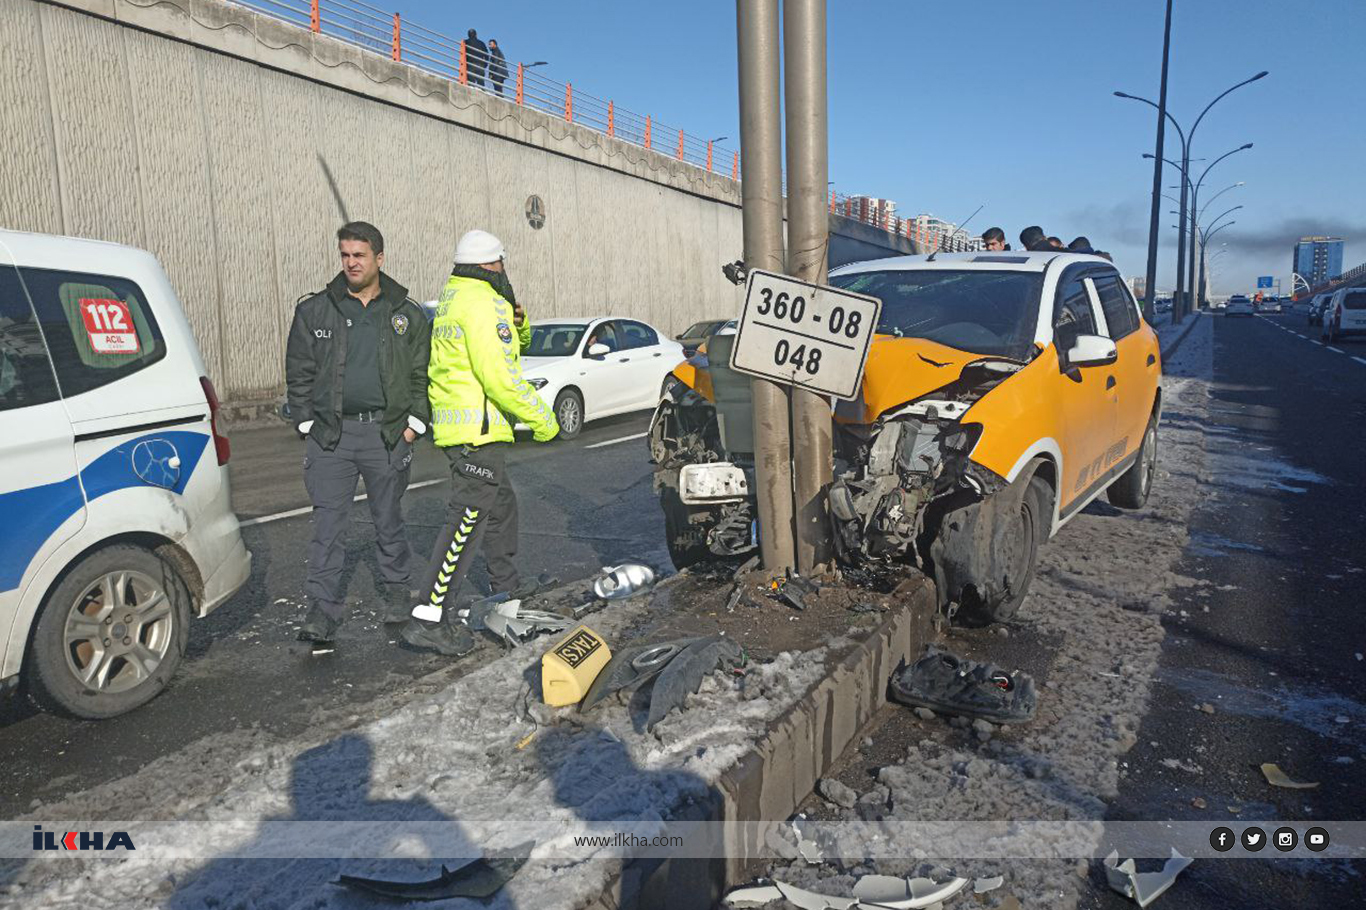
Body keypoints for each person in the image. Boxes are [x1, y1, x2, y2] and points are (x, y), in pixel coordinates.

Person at [402, 230, 559, 655]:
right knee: (467, 520)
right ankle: (429, 616)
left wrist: (519, 323)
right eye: (502, 264)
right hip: (479, 429)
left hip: (459, 426)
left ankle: (505, 586)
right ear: (493, 265)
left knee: (501, 505)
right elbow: (501, 376)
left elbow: (509, 348)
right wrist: (543, 420)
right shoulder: (487, 303)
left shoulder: (454, 297)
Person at [285, 222, 432, 644]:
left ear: (379, 259)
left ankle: (396, 593)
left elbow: (422, 372)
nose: (351, 263)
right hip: (331, 437)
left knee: (388, 520)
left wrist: (413, 425)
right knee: (328, 525)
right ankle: (323, 609)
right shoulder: (316, 311)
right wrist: (307, 423)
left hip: (386, 434)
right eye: (345, 255)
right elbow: (299, 370)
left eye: (359, 256)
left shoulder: (405, 312)